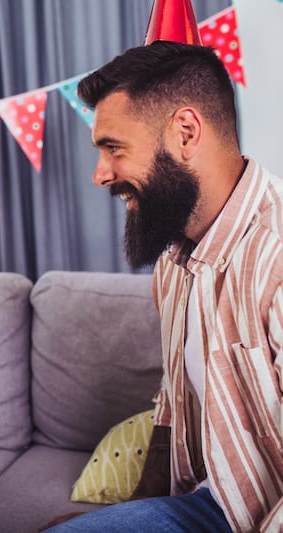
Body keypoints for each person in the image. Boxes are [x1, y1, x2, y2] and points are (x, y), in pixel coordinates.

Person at [44, 41, 283, 532]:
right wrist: (129, 515)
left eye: (113, 148)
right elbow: (171, 410)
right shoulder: (173, 263)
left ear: (186, 133)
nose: (100, 174)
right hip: (217, 505)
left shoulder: (275, 256)